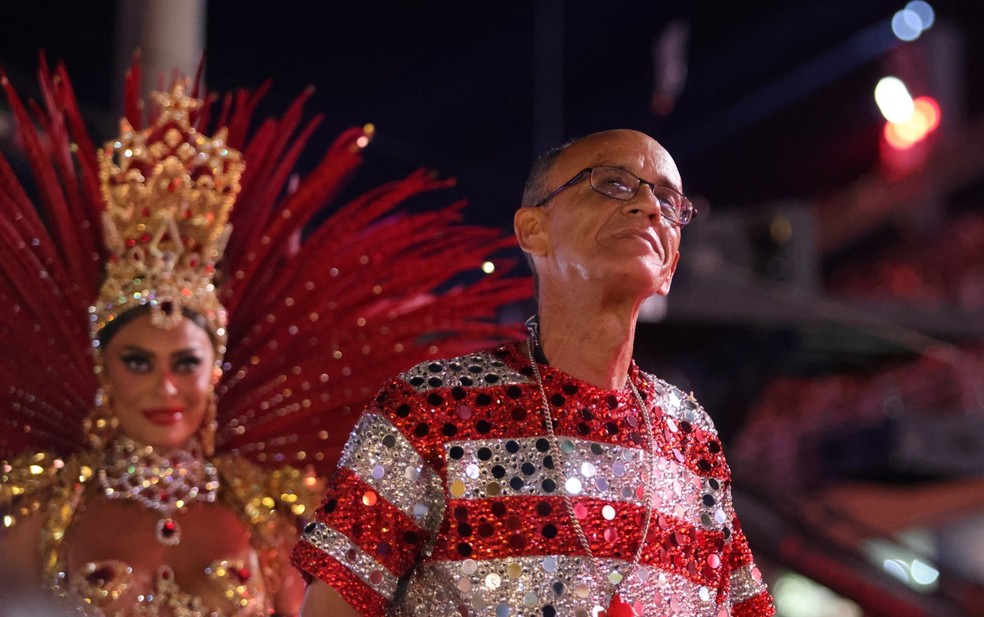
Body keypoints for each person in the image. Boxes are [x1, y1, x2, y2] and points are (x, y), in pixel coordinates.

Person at [0, 61, 527, 615]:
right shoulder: (49, 506)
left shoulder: (267, 511)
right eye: (137, 362)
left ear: (215, 370)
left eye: (185, 363)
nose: (166, 387)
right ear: (103, 371)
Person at [291, 129, 776, 616]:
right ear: (533, 230)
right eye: (613, 183)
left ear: (669, 264)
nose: (649, 207)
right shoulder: (432, 408)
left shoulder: (691, 436)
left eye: (669, 201)